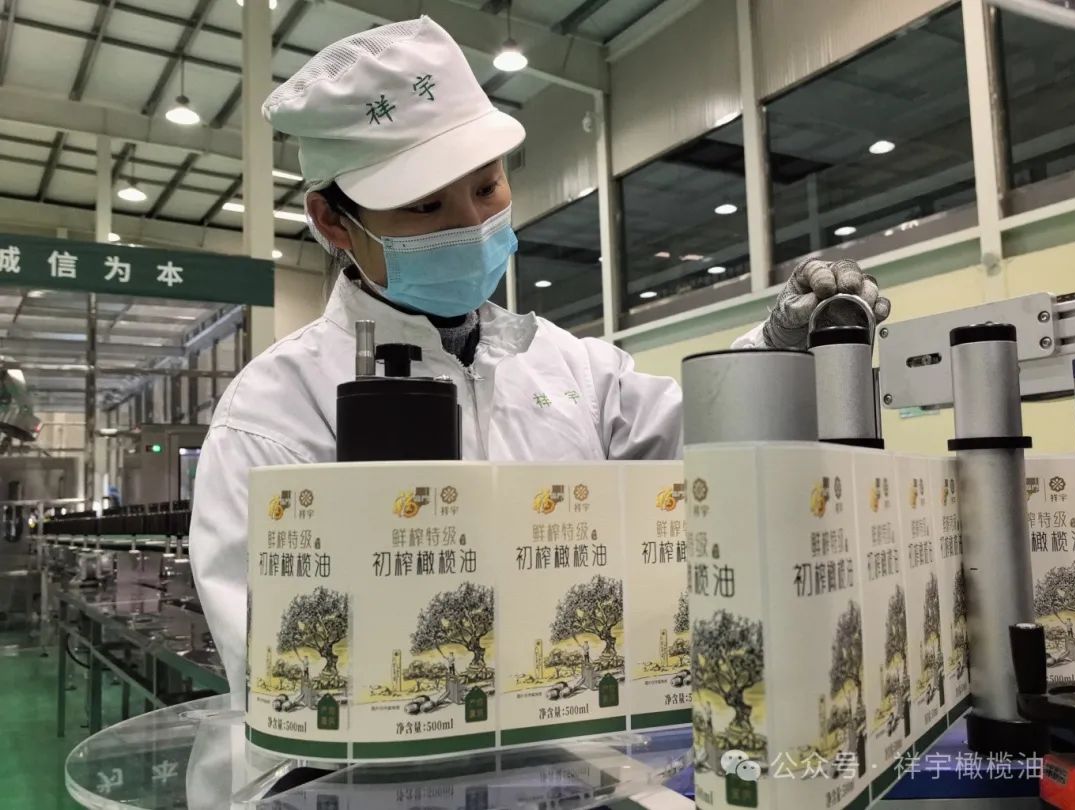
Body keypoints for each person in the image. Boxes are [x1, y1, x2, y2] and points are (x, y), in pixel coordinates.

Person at [190, 16, 891, 701]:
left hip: (586, 740)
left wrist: (777, 353)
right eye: (426, 207)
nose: (473, 226)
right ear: (332, 221)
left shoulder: (570, 367)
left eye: (486, 188)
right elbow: (271, 668)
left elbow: (705, 447)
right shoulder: (277, 412)